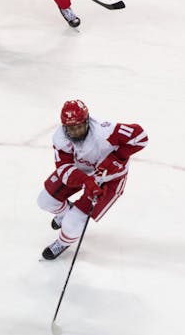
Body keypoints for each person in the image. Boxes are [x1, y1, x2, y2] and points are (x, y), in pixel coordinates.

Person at [37, 99, 148, 260]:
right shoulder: (60, 138)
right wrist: (87, 181)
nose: (75, 131)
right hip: (81, 171)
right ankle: (64, 213)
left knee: (71, 225)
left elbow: (141, 136)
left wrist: (116, 158)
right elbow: (64, 169)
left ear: (87, 121)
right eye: (71, 128)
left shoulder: (105, 131)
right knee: (45, 201)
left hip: (110, 178)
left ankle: (63, 242)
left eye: (79, 126)